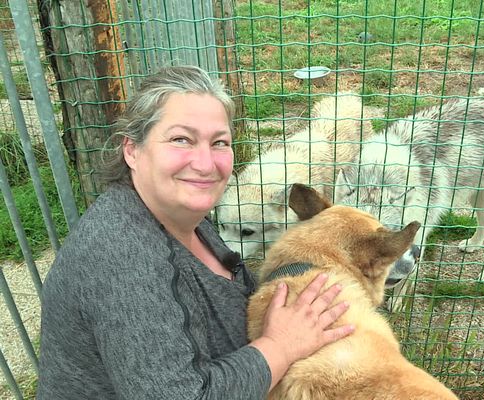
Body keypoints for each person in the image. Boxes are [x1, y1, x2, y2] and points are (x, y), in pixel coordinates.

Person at [37, 65, 354, 399]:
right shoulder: (123, 260)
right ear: (132, 150)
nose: (205, 164)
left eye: (219, 142)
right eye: (181, 139)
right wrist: (280, 346)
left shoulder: (185, 217)